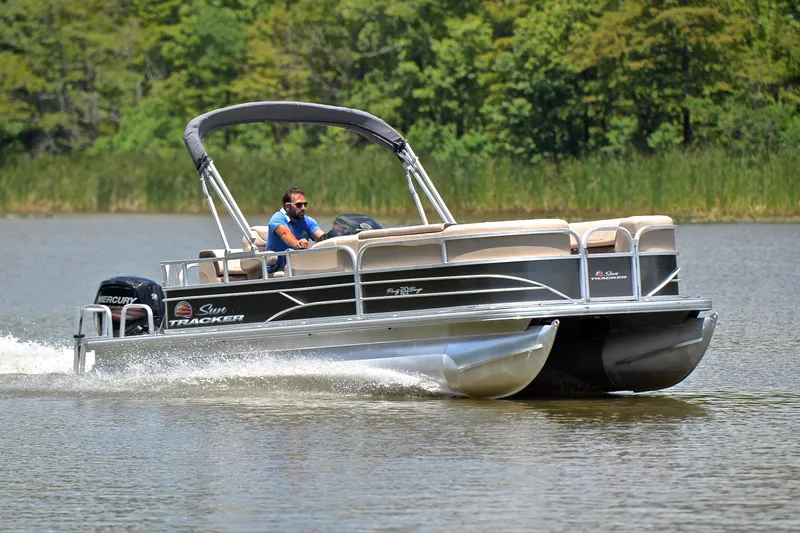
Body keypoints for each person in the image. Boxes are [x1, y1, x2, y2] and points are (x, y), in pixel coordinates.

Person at [266, 185, 325, 272]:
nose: (303, 208)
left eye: (305, 204)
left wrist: (335, 236)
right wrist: (298, 243)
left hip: (300, 266)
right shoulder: (277, 218)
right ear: (287, 207)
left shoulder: (306, 221)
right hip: (278, 269)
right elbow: (285, 234)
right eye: (299, 205)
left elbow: (322, 237)